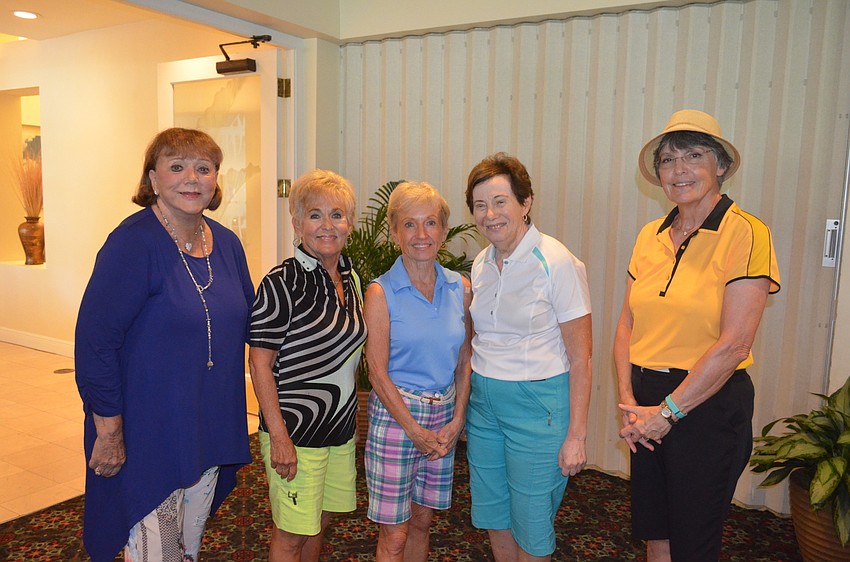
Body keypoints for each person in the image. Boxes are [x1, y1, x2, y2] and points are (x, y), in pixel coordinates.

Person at [74, 128, 254, 562]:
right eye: (176, 167)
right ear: (153, 181)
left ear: (215, 181)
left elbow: (253, 324)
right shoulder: (132, 244)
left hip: (207, 424)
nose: (191, 178)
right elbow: (95, 342)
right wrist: (109, 431)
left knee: (187, 546)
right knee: (157, 551)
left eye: (203, 168)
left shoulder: (226, 245)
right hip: (146, 431)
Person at [615, 109, 781, 561]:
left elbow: (734, 344)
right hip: (646, 398)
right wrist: (630, 403)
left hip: (705, 404)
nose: (680, 169)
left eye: (694, 155)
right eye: (668, 160)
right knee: (656, 530)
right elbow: (627, 323)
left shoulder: (746, 232)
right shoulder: (650, 234)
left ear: (721, 165)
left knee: (694, 541)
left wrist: (665, 414)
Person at [464, 153, 593, 561]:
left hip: (538, 409)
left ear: (526, 203)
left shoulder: (556, 262)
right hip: (484, 407)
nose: (490, 214)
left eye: (500, 201)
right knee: (494, 513)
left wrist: (576, 435)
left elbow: (582, 357)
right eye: (480, 205)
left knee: (533, 522)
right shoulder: (482, 262)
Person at [248, 169, 367, 561]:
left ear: (349, 222)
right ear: (297, 222)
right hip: (295, 434)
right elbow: (260, 365)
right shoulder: (281, 282)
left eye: (337, 214)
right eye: (315, 215)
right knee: (292, 535)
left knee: (320, 519)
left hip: (339, 430)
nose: (327, 225)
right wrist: (279, 438)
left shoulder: (350, 277)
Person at [363, 181, 473, 561]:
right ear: (395, 231)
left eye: (431, 223)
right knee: (394, 537)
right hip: (397, 420)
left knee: (424, 522)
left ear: (443, 230)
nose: (421, 234)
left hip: (443, 418)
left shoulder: (461, 287)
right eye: (410, 224)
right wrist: (413, 429)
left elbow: (465, 358)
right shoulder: (380, 293)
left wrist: (458, 419)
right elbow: (376, 372)